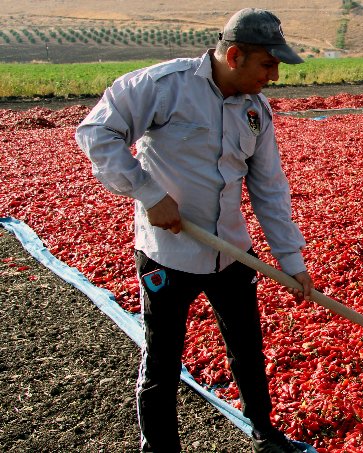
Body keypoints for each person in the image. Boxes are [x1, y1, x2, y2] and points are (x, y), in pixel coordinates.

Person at [75, 8, 313, 453]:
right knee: (162, 357)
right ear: (235, 55)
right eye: (268, 64)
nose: (275, 76)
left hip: (231, 253)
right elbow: (96, 133)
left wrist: (292, 260)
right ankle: (160, 447)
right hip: (169, 252)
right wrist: (148, 193)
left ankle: (264, 432)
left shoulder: (256, 113)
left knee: (247, 347)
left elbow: (269, 190)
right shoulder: (164, 87)